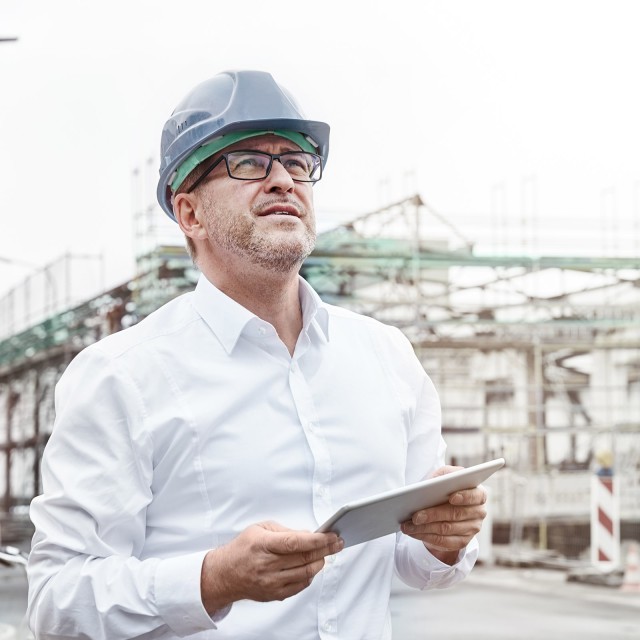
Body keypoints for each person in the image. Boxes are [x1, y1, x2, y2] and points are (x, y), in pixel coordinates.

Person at [27, 70, 487, 639]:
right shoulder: (122, 376)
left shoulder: (386, 357)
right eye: (248, 162)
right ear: (190, 213)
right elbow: (56, 600)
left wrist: (445, 539)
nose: (282, 180)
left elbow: (417, 567)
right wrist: (213, 579)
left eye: (297, 163)